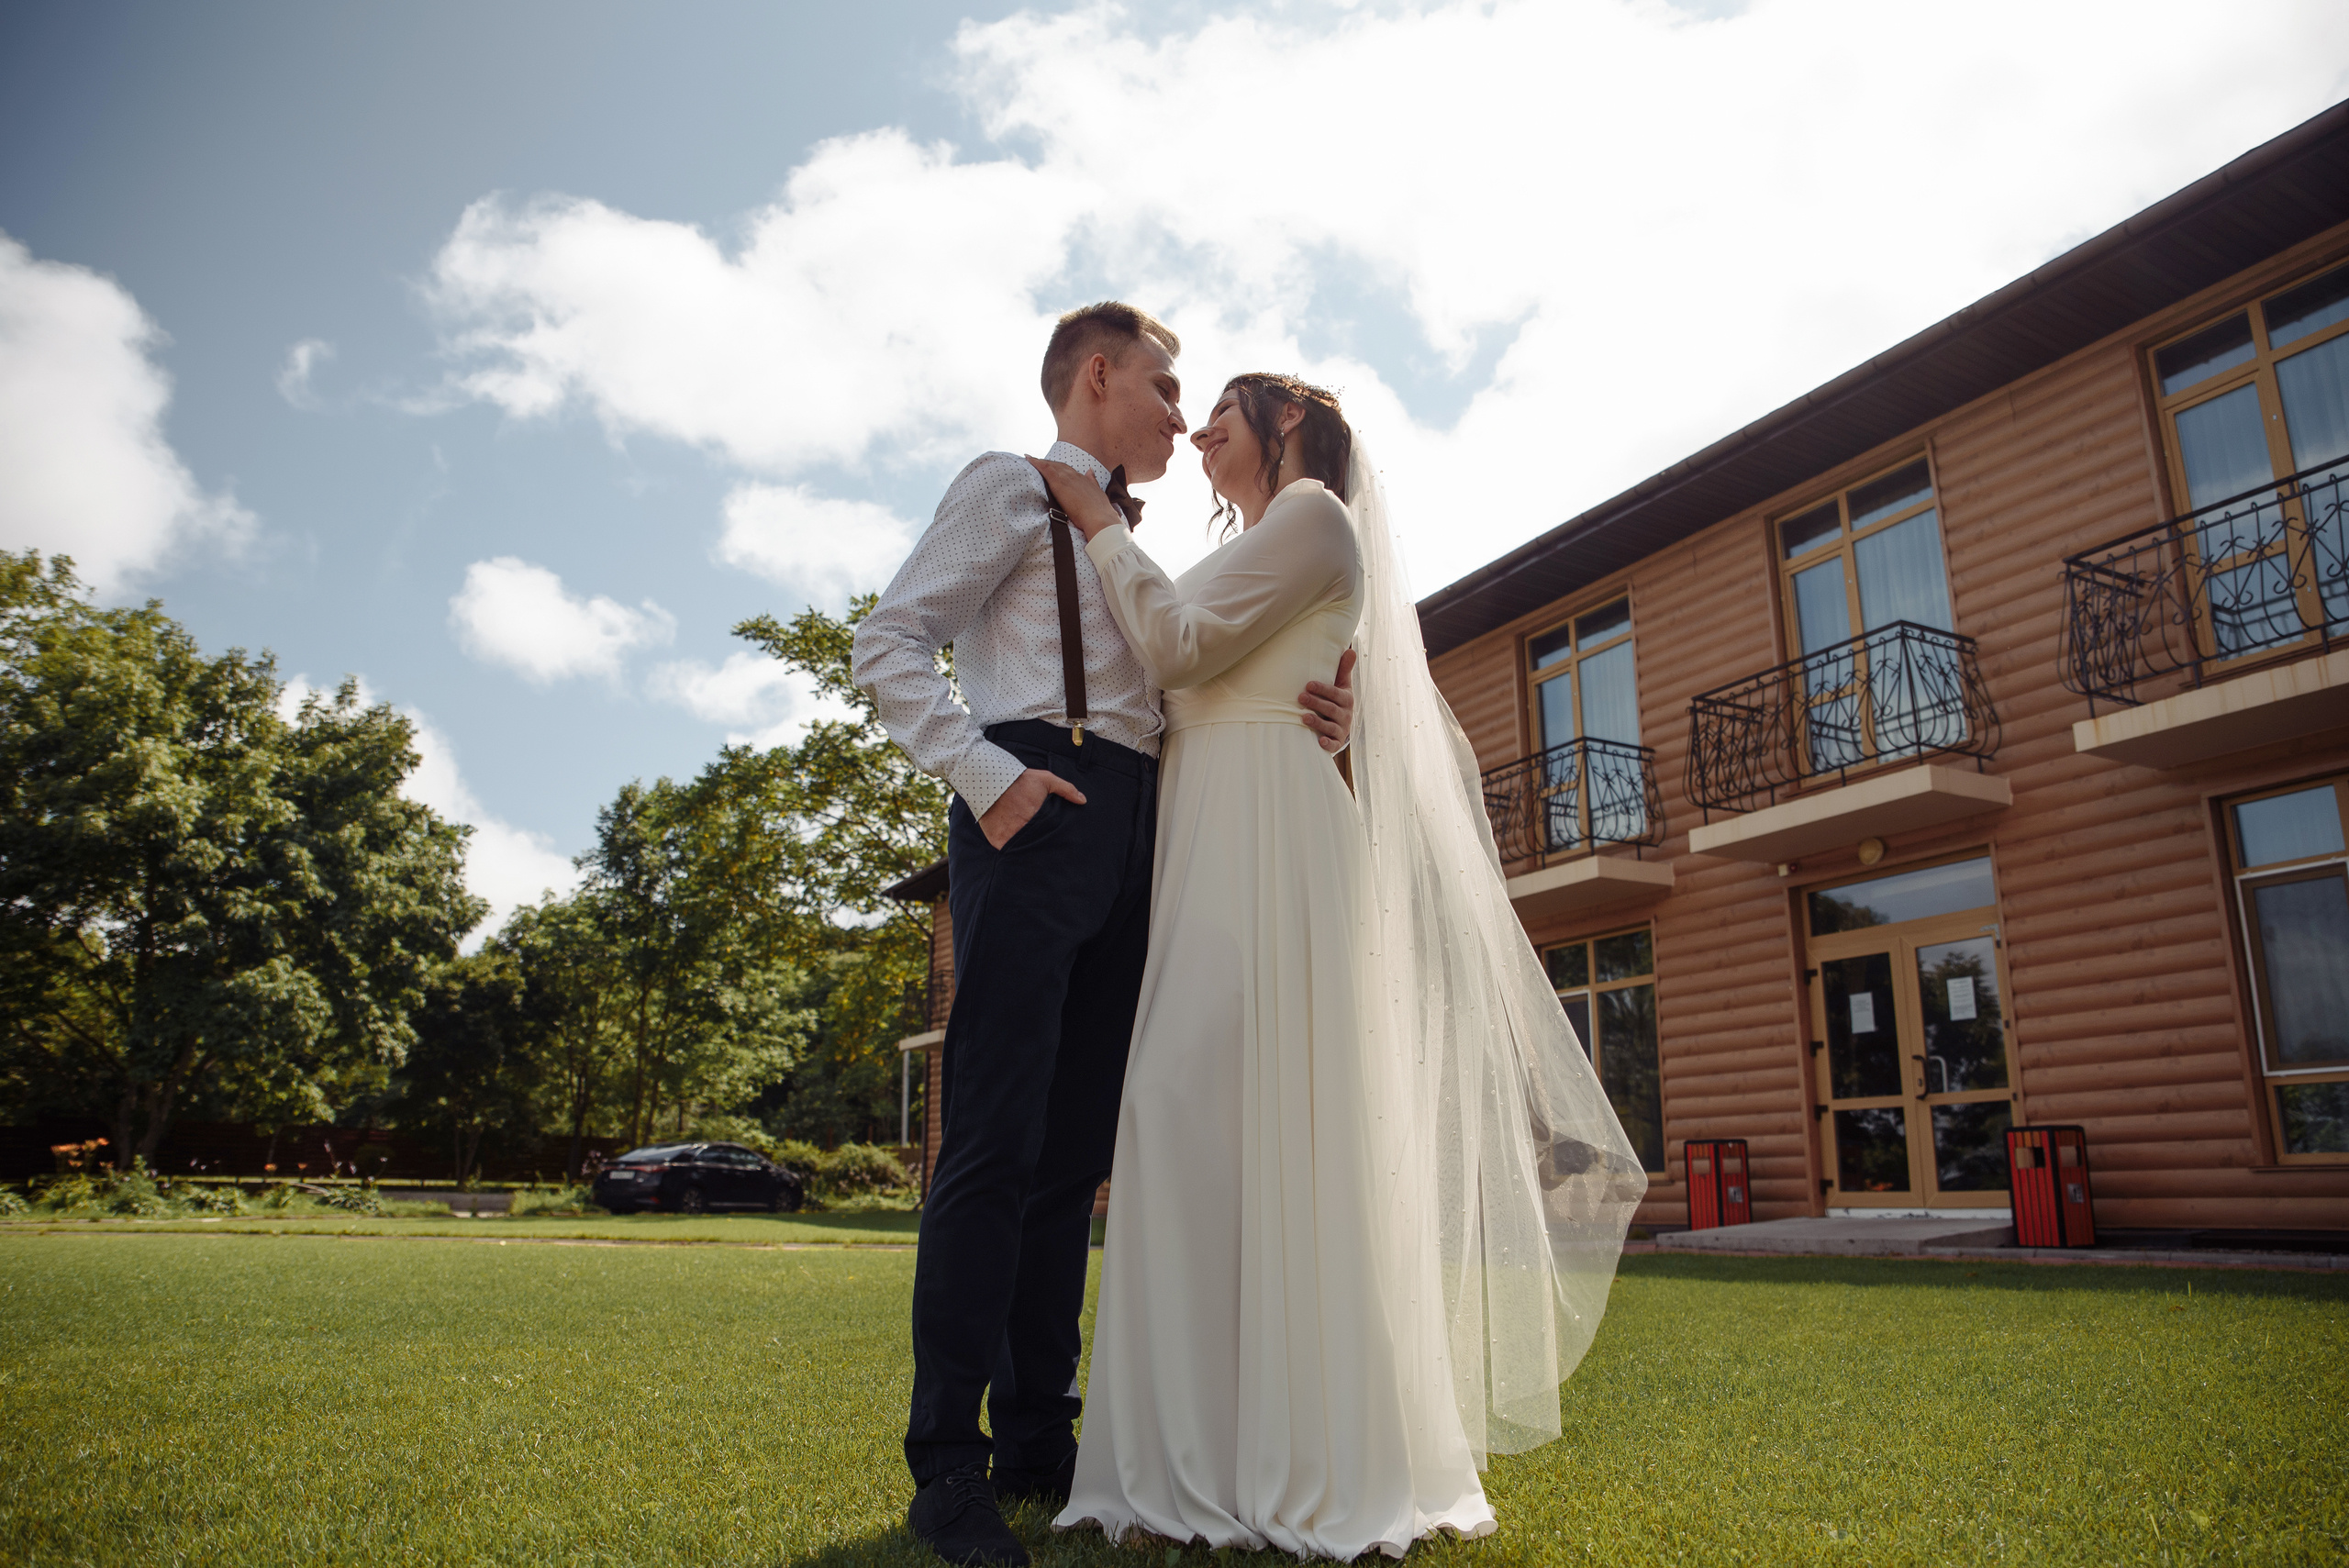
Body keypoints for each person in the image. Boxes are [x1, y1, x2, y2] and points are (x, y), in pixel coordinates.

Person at [1030, 374, 1647, 1559]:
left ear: (1290, 425)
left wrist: (1096, 519)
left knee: (1231, 1117)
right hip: (1212, 823)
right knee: (1191, 1122)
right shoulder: (1266, 541)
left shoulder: (1313, 513)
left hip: (1268, 831)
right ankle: (1192, 1454)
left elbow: (1174, 645)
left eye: (1225, 408)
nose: (1201, 429)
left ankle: (1286, 1457)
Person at [851, 306, 1357, 1568]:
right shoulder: (1009, 488)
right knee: (992, 1141)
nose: (1182, 414)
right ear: (1095, 376)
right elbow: (888, 641)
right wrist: (987, 777)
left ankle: (1039, 1438)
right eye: (1165, 387)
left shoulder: (1135, 540)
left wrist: (1318, 709)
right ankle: (947, 1464)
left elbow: (1189, 674)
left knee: (1074, 1157)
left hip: (1143, 830)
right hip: (1037, 799)